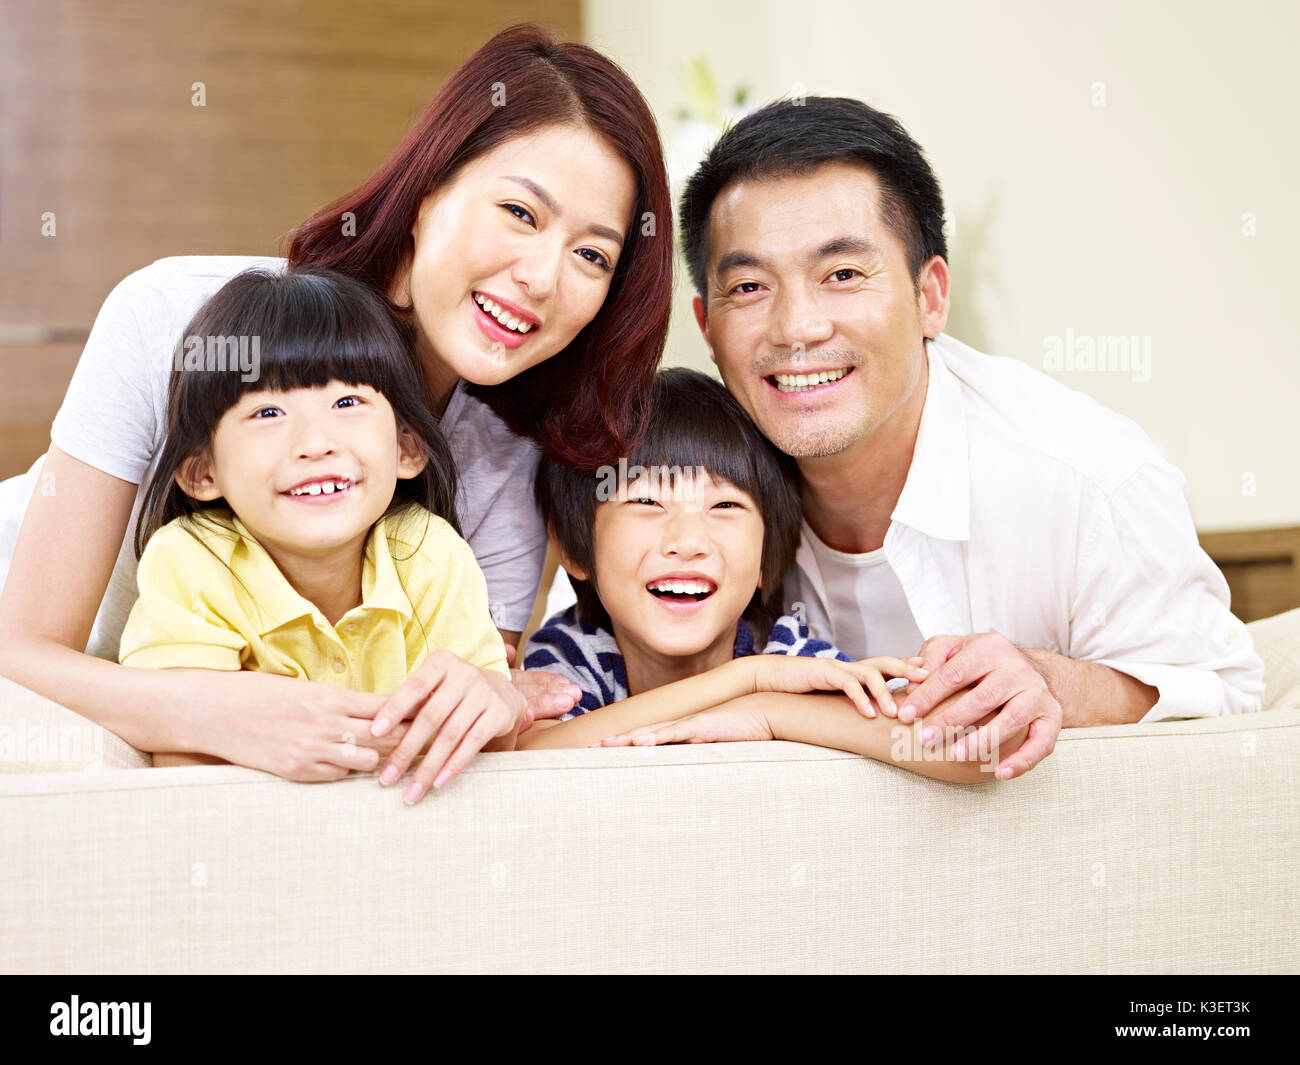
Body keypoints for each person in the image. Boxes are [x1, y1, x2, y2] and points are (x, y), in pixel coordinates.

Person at [0, 25, 669, 781]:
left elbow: (469, 689)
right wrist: (213, 705)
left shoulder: (509, 451)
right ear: (426, 193)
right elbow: (23, 652)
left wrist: (492, 693)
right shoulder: (173, 316)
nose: (543, 277)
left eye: (592, 255)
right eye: (520, 212)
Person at [663, 95, 1264, 779]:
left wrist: (1053, 682)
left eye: (843, 275)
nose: (797, 328)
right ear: (708, 327)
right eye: (749, 286)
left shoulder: (1090, 477)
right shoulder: (673, 480)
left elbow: (1236, 706)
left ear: (932, 296)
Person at [119, 267, 515, 801]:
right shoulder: (192, 560)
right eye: (268, 411)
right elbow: (184, 758)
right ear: (203, 472)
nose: (315, 443)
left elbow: (485, 742)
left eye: (347, 403)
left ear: (406, 448)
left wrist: (493, 700)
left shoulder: (430, 552)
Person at [518, 369, 1021, 782]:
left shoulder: (783, 651)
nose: (688, 541)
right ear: (573, 548)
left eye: (725, 504)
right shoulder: (574, 649)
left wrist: (768, 711)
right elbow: (526, 755)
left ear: (764, 560)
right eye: (646, 501)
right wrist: (747, 679)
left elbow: (973, 750)